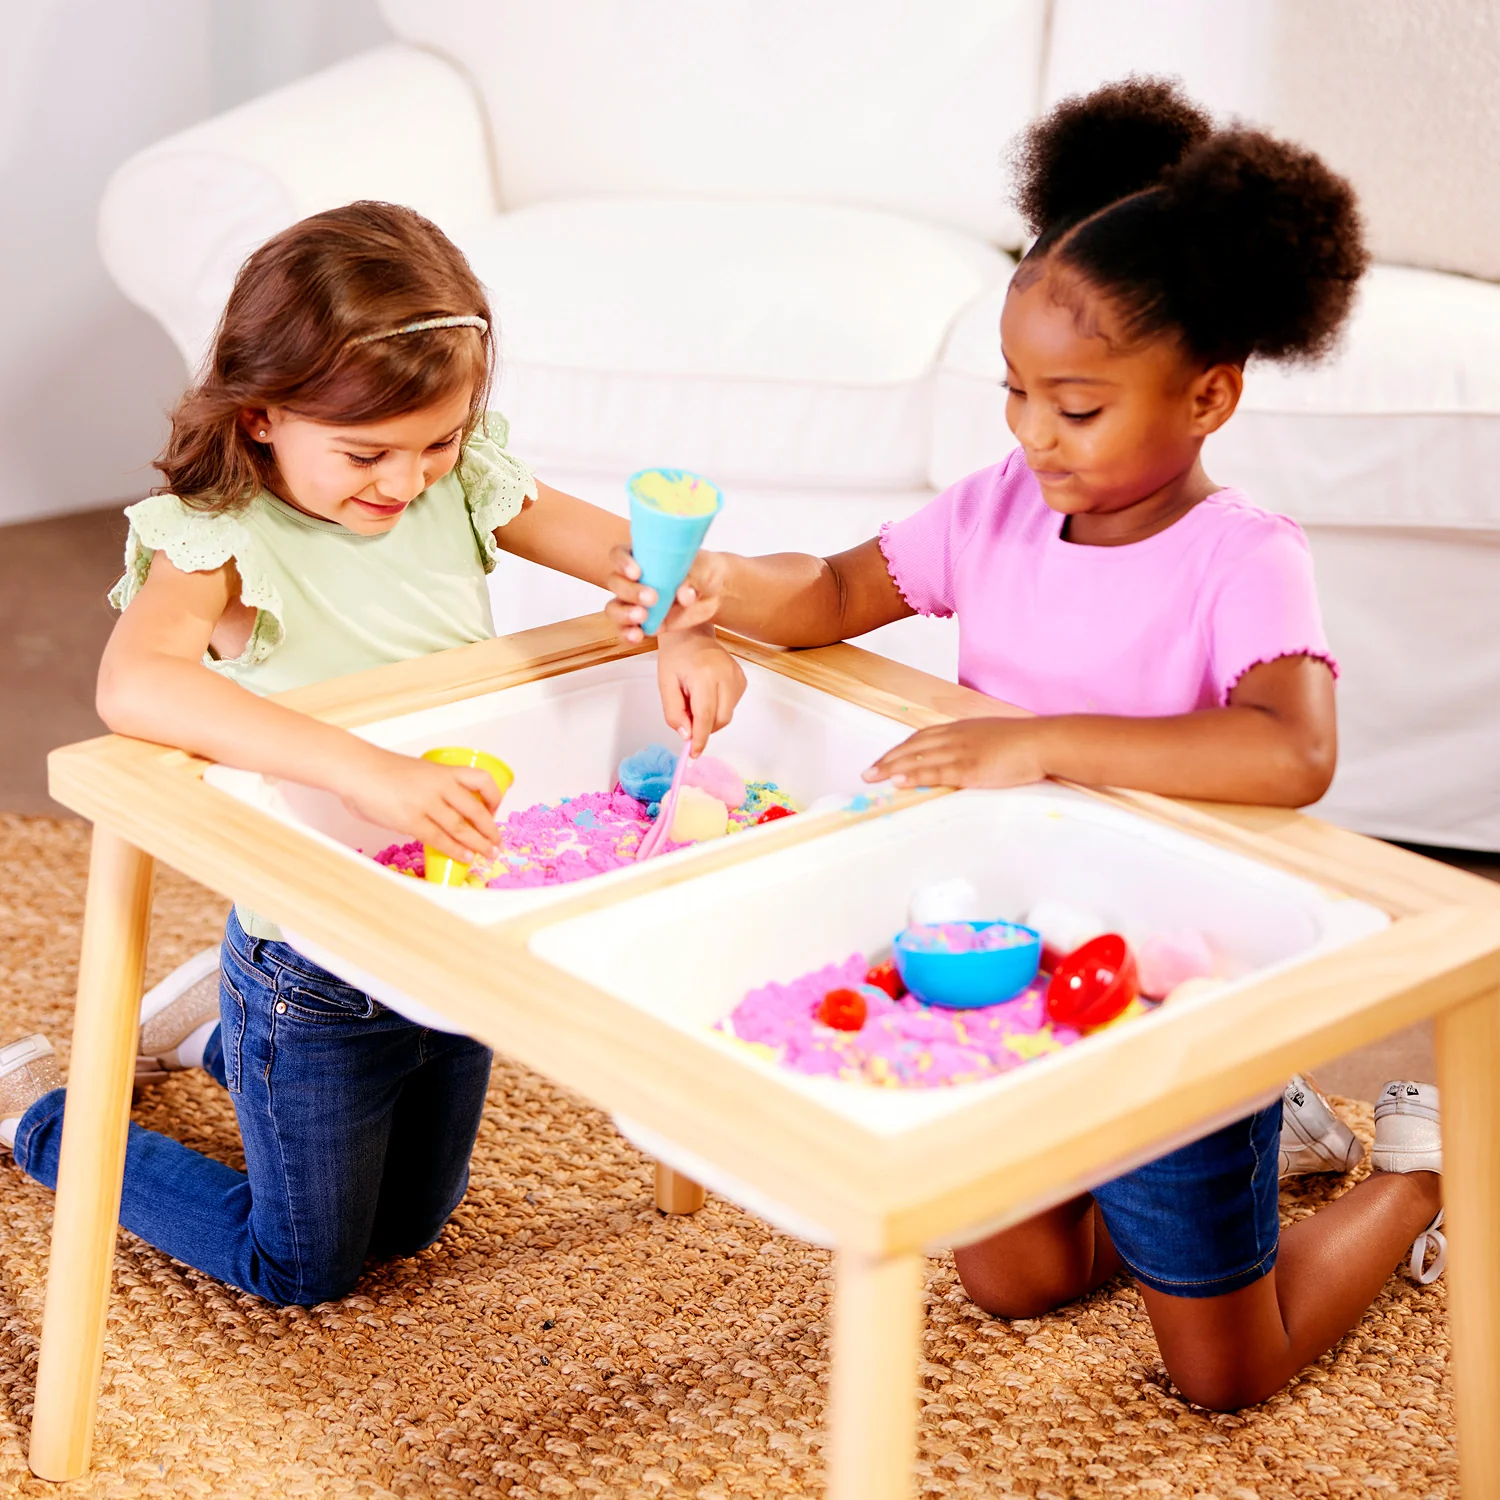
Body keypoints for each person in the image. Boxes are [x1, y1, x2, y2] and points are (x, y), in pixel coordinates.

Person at [601, 80, 1445, 1410]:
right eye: (1016, 394)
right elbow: (826, 592)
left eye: (1079, 405)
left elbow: (1291, 754)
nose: (1032, 433)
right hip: (1009, 949)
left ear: (1211, 395)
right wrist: (719, 586)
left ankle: (1414, 1173)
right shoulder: (998, 507)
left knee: (1228, 1371)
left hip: (1178, 980)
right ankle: (1259, 1159)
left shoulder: (1244, 558)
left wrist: (1036, 741)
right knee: (1010, 1275)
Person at [0, 201, 743, 1306]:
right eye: (367, 453)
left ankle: (211, 1042)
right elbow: (134, 683)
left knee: (415, 1225)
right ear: (260, 416)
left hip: (447, 923)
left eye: (437, 441)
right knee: (301, 1264)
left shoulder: (463, 480)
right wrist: (359, 767)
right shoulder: (222, 531)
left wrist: (685, 624)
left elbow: (634, 562)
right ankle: (48, 1113)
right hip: (314, 958)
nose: (406, 482)